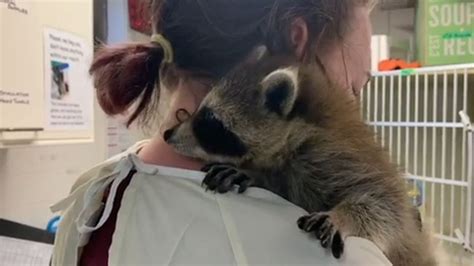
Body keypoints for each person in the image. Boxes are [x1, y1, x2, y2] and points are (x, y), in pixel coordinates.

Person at [51, 0, 389, 265]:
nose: (353, 109)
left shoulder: (93, 197)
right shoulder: (327, 251)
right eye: (353, 88)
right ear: (296, 43)